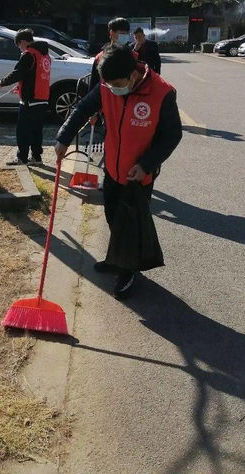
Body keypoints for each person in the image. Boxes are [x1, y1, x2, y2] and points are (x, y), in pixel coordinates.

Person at [55, 45, 182, 299]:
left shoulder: (161, 92)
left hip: (138, 176)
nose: (111, 88)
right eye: (107, 83)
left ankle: (128, 270)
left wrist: (146, 164)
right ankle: (117, 259)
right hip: (113, 168)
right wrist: (63, 138)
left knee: (131, 224)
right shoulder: (107, 85)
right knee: (113, 215)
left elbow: (172, 135)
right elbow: (82, 109)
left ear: (133, 75)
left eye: (116, 83)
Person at [0, 29, 51, 166]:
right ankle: (36, 157)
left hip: (30, 100)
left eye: (19, 46)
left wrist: (3, 82)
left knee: (23, 130)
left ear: (22, 42)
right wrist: (22, 87)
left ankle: (22, 158)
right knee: (37, 130)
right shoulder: (45, 55)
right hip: (43, 98)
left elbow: (18, 73)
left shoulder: (28, 55)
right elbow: (35, 76)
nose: (19, 49)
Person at [89, 17, 137, 90]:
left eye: (127, 34)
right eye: (122, 33)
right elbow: (94, 86)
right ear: (112, 33)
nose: (124, 37)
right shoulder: (100, 58)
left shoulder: (134, 56)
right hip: (106, 98)